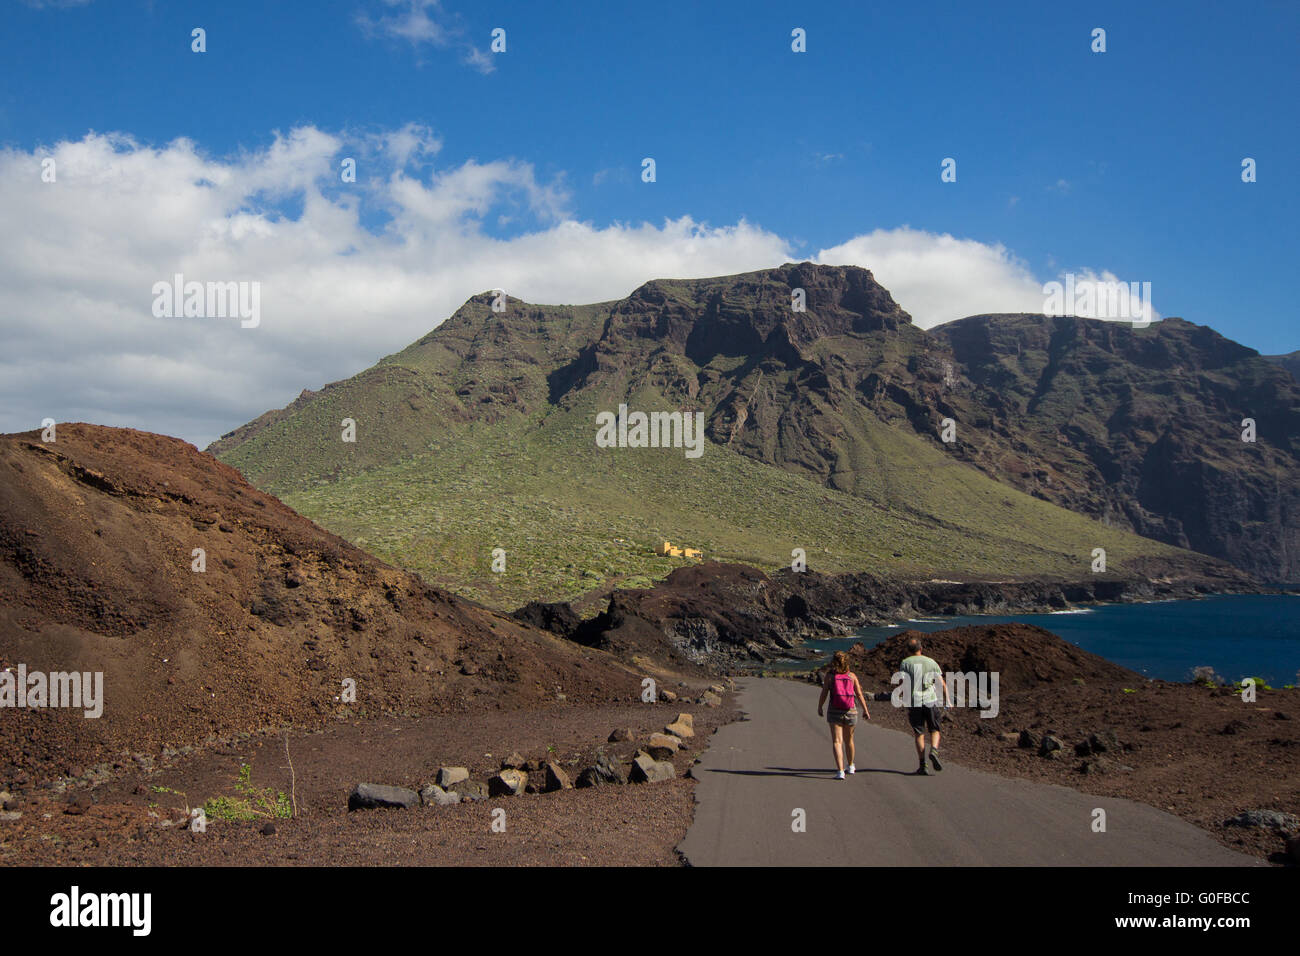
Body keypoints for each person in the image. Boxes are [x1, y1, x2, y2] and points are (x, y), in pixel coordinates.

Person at [817, 650, 871, 779]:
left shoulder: (829, 676)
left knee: (837, 741)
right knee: (849, 741)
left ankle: (840, 771)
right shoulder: (852, 676)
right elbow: (859, 694)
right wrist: (865, 710)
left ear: (833, 662)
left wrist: (820, 706)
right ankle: (851, 765)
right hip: (851, 711)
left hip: (834, 711)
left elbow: (824, 693)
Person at [899, 637, 949, 775]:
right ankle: (934, 750)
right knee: (934, 729)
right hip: (930, 700)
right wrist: (947, 699)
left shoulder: (905, 663)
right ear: (921, 649)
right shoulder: (931, 662)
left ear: (909, 650)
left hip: (914, 701)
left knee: (919, 733)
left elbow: (903, 683)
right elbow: (941, 682)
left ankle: (923, 765)